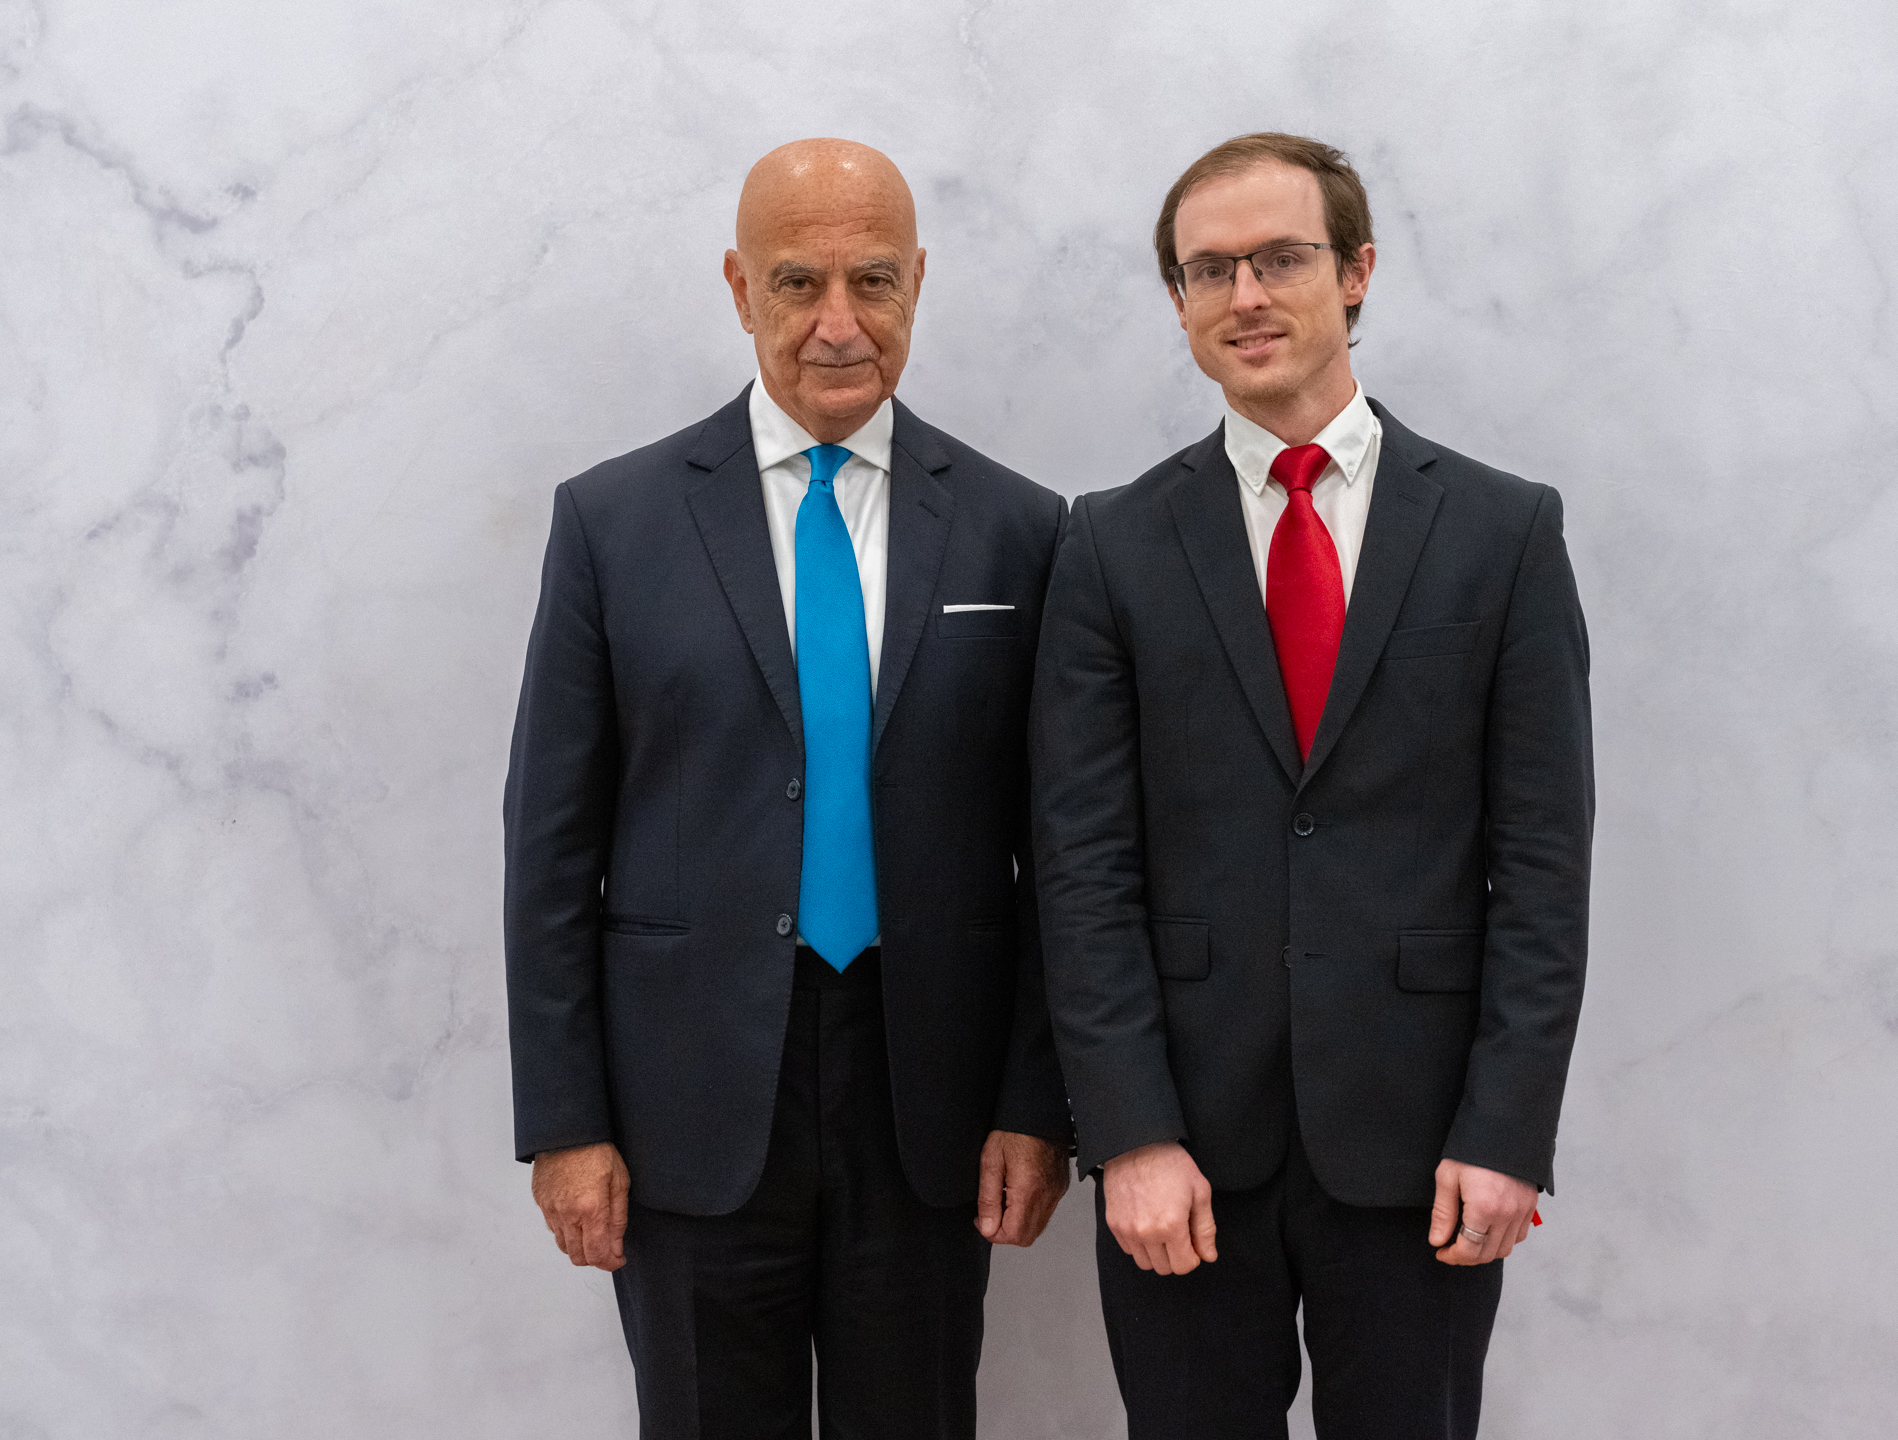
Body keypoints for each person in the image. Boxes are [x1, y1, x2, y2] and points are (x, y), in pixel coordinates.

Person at [503, 138, 1071, 1440]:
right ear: (738, 287)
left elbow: (1061, 853)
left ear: (919, 281)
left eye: (873, 280)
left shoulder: (1021, 529)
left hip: (930, 1105)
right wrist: (565, 1122)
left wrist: (1035, 1102)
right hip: (686, 1104)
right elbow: (549, 848)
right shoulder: (613, 522)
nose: (837, 324)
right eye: (797, 283)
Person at [1030, 132, 1594, 1439]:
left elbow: (1544, 864)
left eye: (1280, 259)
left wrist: (1507, 1130)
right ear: (1179, 300)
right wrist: (1130, 1133)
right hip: (1183, 1148)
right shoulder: (1110, 544)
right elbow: (1081, 865)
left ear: (1357, 273)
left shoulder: (1504, 531)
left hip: (1425, 1150)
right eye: (1208, 270)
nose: (1246, 297)